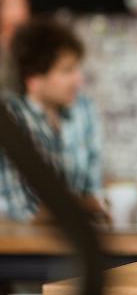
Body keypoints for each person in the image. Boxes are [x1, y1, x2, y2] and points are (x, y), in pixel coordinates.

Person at [0, 18, 106, 223]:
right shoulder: (10, 119)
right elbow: (23, 212)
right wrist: (84, 204)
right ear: (34, 79)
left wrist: (88, 204)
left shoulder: (84, 108)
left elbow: (93, 192)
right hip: (22, 250)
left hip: (80, 242)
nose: (79, 79)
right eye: (67, 70)